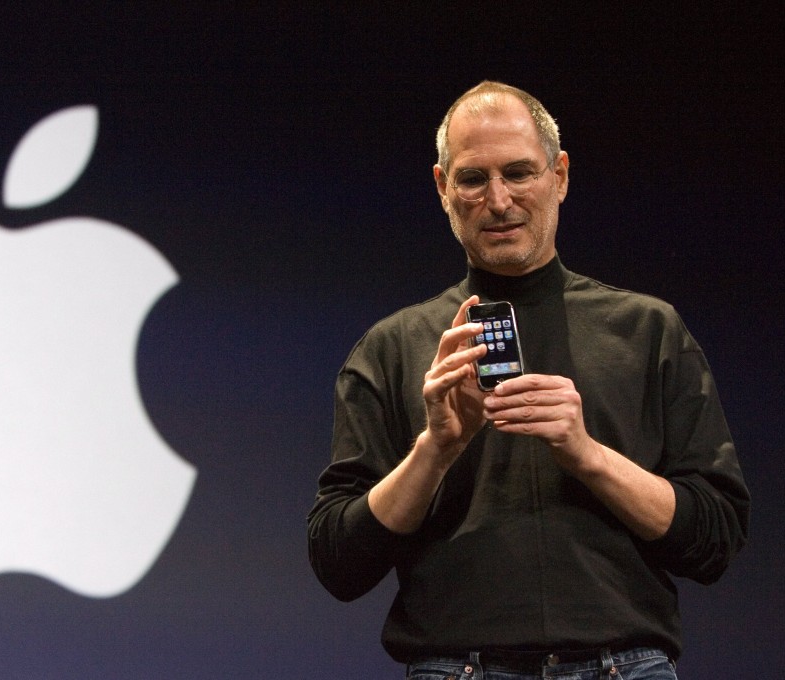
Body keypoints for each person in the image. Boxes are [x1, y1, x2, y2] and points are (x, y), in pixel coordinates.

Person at [307, 81, 749, 679]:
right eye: (472, 179)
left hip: (626, 666)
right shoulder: (392, 348)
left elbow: (715, 537)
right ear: (442, 188)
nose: (498, 200)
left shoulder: (648, 330)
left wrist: (588, 455)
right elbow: (338, 562)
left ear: (560, 176)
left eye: (519, 173)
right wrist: (434, 452)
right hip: (455, 667)